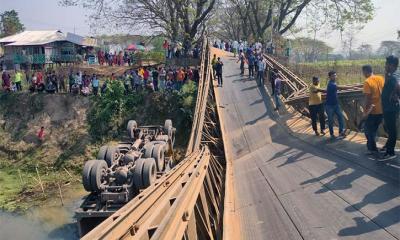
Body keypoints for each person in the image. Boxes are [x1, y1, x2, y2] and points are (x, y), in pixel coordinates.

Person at [360, 65, 384, 156]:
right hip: (382, 109)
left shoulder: (367, 81)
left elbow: (368, 98)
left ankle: (372, 149)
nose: (363, 74)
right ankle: (373, 147)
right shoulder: (381, 78)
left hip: (372, 111)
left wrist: (365, 112)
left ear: (366, 71)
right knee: (373, 130)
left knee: (367, 130)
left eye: (363, 72)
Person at [380, 56, 400, 160]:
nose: (385, 65)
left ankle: (390, 152)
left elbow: (398, 87)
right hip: (387, 107)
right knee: (387, 127)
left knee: (391, 130)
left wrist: (396, 96)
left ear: (393, 66)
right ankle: (388, 146)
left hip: (391, 108)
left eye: (387, 64)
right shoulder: (390, 75)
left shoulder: (394, 78)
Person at [325, 71, 353, 139]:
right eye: (333, 76)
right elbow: (340, 87)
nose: (334, 77)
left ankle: (341, 131)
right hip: (329, 105)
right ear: (329, 77)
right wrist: (352, 87)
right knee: (331, 120)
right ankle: (332, 134)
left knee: (340, 117)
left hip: (335, 104)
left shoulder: (333, 83)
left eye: (335, 75)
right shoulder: (331, 84)